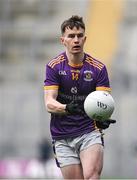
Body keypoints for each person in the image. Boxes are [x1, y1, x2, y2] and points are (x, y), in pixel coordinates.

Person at [44, 15, 116, 179]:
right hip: (62, 135)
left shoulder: (98, 68)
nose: (76, 40)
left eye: (79, 36)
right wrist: (67, 108)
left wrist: (102, 118)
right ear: (63, 40)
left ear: (84, 39)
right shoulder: (54, 67)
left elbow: (102, 101)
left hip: (89, 131)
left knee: (91, 175)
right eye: (71, 36)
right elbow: (49, 103)